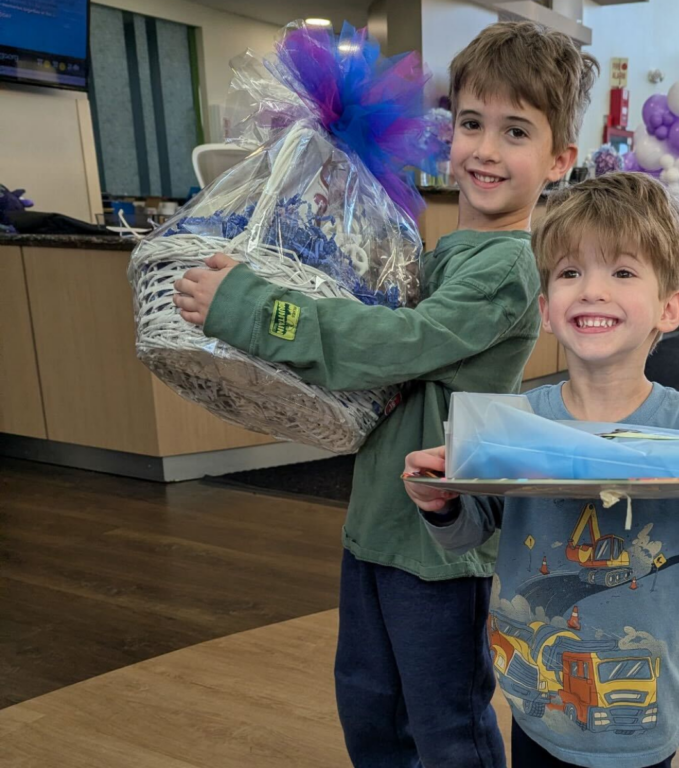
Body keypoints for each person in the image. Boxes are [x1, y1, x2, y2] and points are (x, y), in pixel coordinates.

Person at [171, 21, 598, 768]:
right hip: (377, 525)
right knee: (369, 707)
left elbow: (397, 344)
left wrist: (249, 307)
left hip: (439, 543)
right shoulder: (451, 247)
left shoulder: (506, 268)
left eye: (516, 131)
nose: (486, 150)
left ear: (560, 159)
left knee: (447, 730)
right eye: (472, 123)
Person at [404, 173, 679, 768]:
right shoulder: (522, 420)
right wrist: (442, 499)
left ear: (669, 308)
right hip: (536, 712)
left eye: (623, 272)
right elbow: (471, 529)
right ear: (546, 308)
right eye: (570, 272)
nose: (593, 291)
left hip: (642, 728)